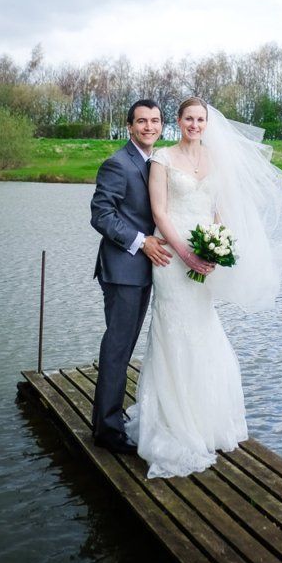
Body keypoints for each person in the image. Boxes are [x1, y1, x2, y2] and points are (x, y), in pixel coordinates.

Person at [125, 96, 282, 478]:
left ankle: (205, 422)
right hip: (171, 258)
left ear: (207, 124)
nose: (195, 125)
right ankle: (172, 424)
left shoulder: (216, 162)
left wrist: (218, 245)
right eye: (189, 118)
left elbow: (218, 210)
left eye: (201, 119)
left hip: (204, 256)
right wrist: (185, 253)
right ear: (179, 122)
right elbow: (159, 213)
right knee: (172, 331)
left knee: (203, 329)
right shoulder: (162, 160)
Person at [90, 99, 175, 453]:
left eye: (155, 121)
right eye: (142, 121)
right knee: (117, 349)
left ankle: (110, 418)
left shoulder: (155, 161)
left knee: (123, 347)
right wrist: (141, 243)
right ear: (129, 126)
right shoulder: (118, 163)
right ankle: (107, 431)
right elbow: (100, 214)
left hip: (143, 272)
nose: (149, 127)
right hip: (123, 271)